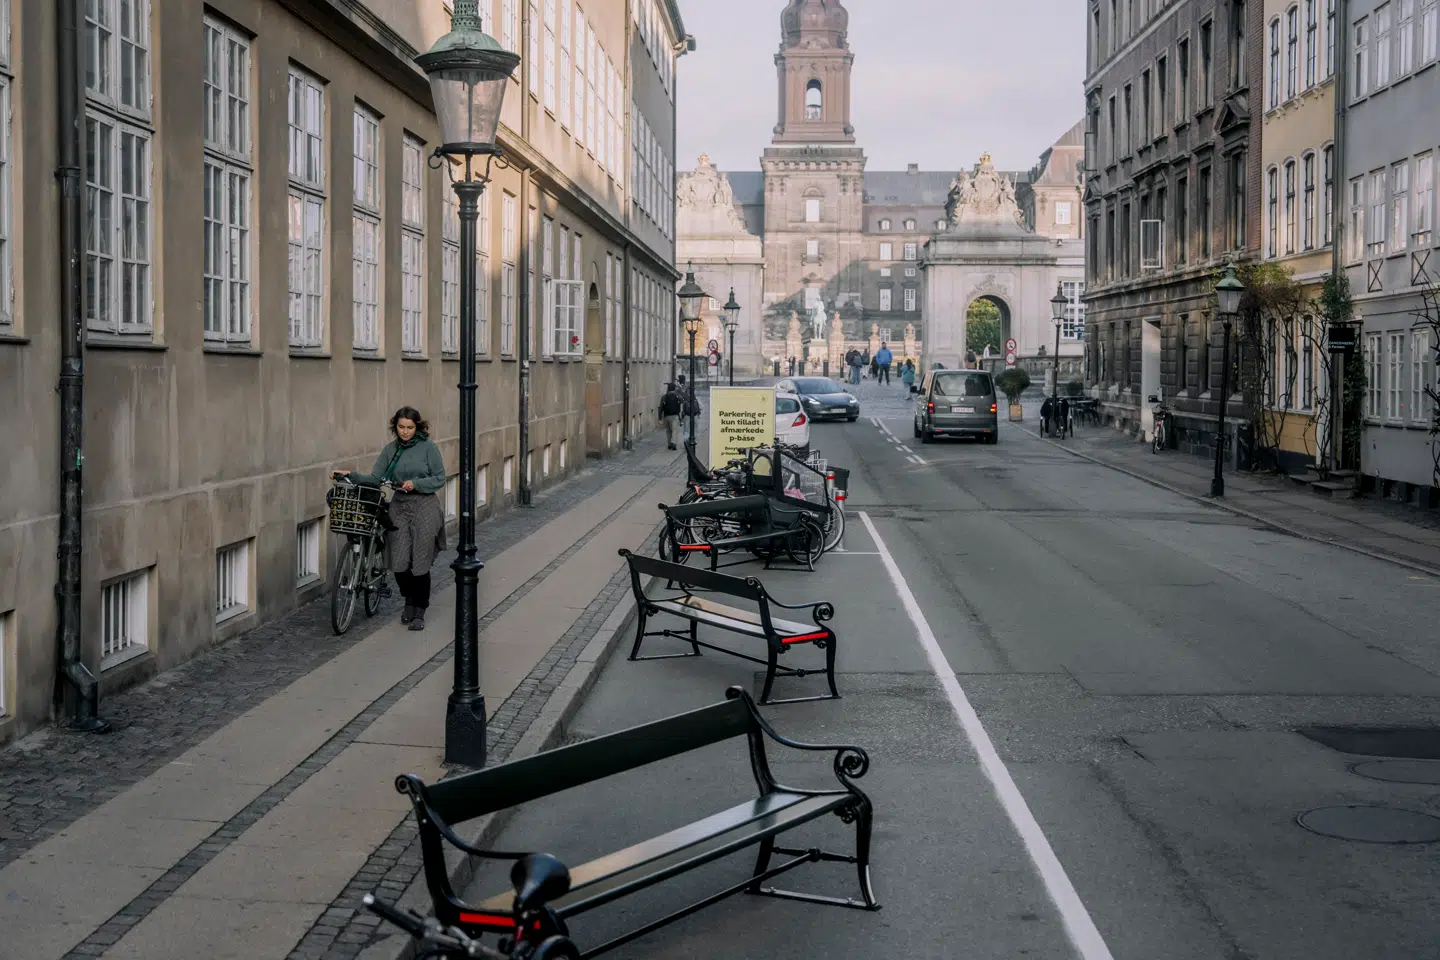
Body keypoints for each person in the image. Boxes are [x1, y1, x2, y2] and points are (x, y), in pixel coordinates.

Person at [332, 406, 447, 632]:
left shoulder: (428, 448)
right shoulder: (391, 450)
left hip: (425, 504)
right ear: (396, 427)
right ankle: (409, 598)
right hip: (399, 505)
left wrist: (416, 483)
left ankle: (419, 609)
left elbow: (439, 478)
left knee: (420, 561)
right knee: (399, 561)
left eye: (410, 427)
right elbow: (375, 478)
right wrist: (350, 475)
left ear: (417, 427)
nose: (405, 432)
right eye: (401, 427)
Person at [659, 383, 683, 450]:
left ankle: (669, 444)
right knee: (674, 430)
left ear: (668, 388)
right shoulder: (677, 396)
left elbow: (660, 408)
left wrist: (660, 418)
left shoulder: (664, 397)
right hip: (675, 416)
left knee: (668, 430)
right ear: (674, 388)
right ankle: (673, 443)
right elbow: (682, 401)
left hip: (666, 416)